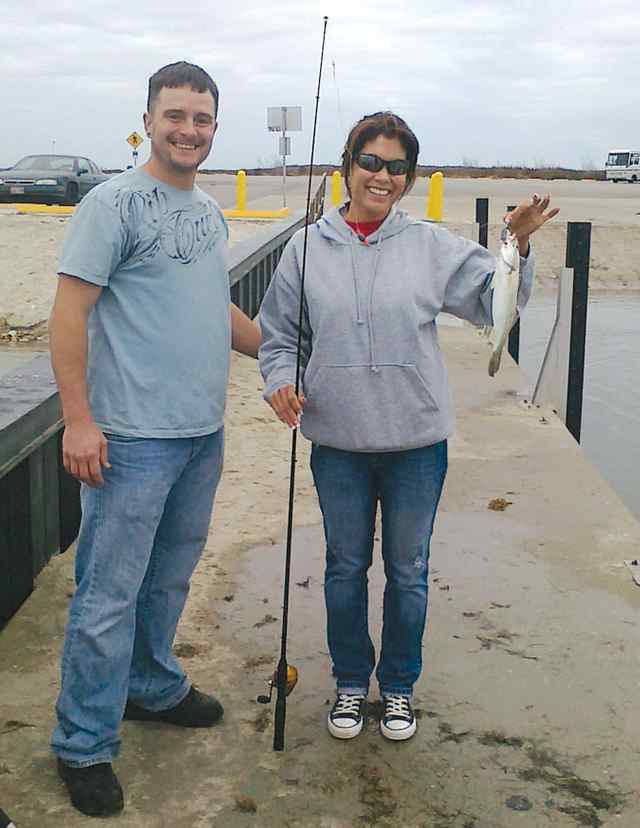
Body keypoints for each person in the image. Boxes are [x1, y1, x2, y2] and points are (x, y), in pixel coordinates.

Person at [259, 111, 558, 743]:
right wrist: (280, 380)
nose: (382, 176)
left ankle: (398, 686)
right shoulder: (304, 249)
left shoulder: (430, 245)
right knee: (344, 569)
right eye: (370, 161)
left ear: (409, 178)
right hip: (338, 443)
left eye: (397, 167)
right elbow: (280, 336)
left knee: (408, 572)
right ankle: (350, 680)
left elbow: (495, 298)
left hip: (417, 446)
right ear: (347, 167)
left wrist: (519, 246)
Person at [49, 61, 261, 817]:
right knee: (107, 597)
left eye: (202, 119)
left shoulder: (207, 211)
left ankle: (149, 686)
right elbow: (69, 312)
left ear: (214, 127)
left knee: (169, 579)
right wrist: (79, 420)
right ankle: (83, 742)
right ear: (148, 121)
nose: (189, 130)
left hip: (202, 433)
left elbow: (213, 306)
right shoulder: (110, 205)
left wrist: (278, 351)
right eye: (175, 115)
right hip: (131, 440)